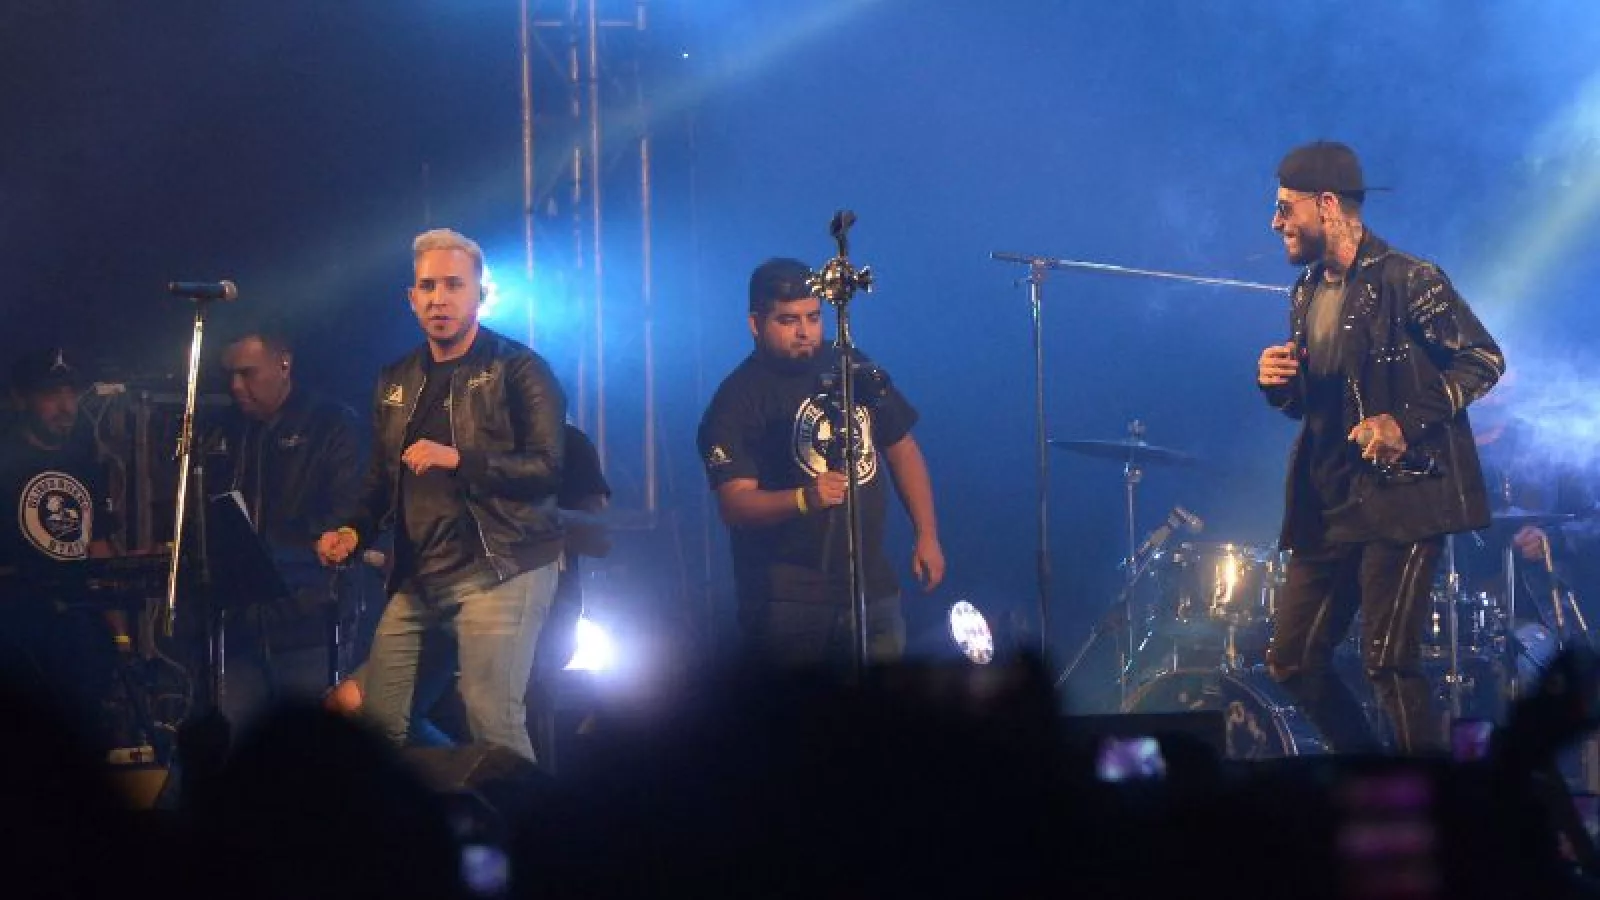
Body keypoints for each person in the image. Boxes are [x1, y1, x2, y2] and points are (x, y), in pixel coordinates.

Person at [1256, 141, 1504, 753]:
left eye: (1286, 208)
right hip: (1328, 502)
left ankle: (1431, 796)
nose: (1276, 222)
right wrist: (1278, 386)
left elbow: (1483, 358)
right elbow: (1319, 404)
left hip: (1405, 498)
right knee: (1292, 661)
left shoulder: (1409, 279)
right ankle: (1368, 773)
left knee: (1389, 665)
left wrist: (1405, 422)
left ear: (1327, 204)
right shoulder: (1306, 291)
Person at [317, 227, 566, 762]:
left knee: (492, 722)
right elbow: (381, 480)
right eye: (428, 287)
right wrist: (352, 530)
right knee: (374, 722)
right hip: (420, 577)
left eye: (454, 285)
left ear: (480, 293)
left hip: (501, 567)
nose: (439, 298)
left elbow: (549, 469)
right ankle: (458, 794)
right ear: (411, 298)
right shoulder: (395, 380)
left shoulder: (519, 369)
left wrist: (460, 459)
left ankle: (523, 810)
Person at [697, 257, 945, 670]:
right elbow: (734, 504)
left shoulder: (851, 366)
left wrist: (927, 534)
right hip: (788, 600)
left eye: (813, 317)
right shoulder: (736, 400)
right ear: (756, 324)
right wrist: (803, 498)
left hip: (871, 589)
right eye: (788, 320)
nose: (804, 332)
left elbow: (902, 448)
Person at [325, 422, 611, 755]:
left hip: (533, 609)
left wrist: (522, 518)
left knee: (495, 716)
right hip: (443, 600)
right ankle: (468, 779)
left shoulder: (562, 440)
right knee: (350, 704)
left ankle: (498, 778)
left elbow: (600, 537)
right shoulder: (442, 436)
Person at [209, 324, 364, 721]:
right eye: (230, 375)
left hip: (310, 616)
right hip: (240, 624)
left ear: (284, 363)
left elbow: (349, 514)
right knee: (234, 735)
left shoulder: (331, 423)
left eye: (247, 373)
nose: (236, 386)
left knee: (309, 741)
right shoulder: (226, 429)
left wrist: (274, 550)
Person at [0, 347, 127, 747]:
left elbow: (98, 545)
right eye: (51, 394)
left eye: (71, 392)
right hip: (18, 628)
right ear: (21, 398)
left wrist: (121, 636)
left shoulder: (84, 462)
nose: (66, 406)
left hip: (79, 628)